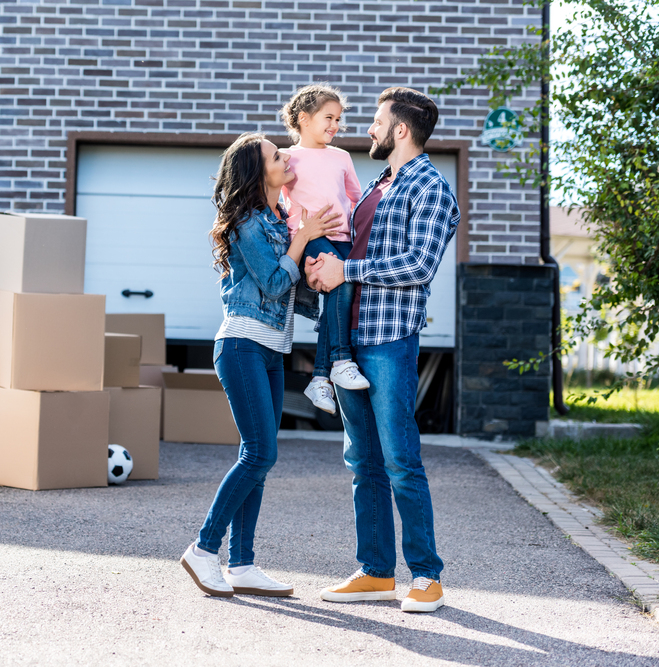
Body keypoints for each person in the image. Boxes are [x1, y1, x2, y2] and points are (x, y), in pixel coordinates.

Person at [305, 87, 459, 613]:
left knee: (400, 459)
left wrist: (347, 270)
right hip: (346, 338)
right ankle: (375, 571)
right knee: (362, 461)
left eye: (375, 121)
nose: (366, 129)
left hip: (389, 338)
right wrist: (321, 268)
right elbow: (347, 250)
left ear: (400, 129)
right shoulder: (376, 184)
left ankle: (426, 576)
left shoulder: (432, 188)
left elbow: (418, 267)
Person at [180, 132, 341, 598]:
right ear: (258, 172)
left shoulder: (279, 220)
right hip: (242, 345)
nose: (286, 156)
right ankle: (204, 549)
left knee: (259, 457)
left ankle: (243, 564)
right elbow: (272, 285)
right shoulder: (248, 222)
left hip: (272, 348)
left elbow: (293, 292)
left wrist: (319, 272)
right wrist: (304, 239)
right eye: (276, 155)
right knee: (259, 453)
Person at [279, 84, 370, 417]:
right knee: (341, 285)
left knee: (340, 295)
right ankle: (341, 360)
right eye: (328, 118)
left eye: (338, 120)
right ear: (304, 118)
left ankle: (320, 378)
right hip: (310, 237)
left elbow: (355, 199)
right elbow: (272, 194)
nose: (335, 125)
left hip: (342, 236)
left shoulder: (342, 157)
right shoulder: (287, 157)